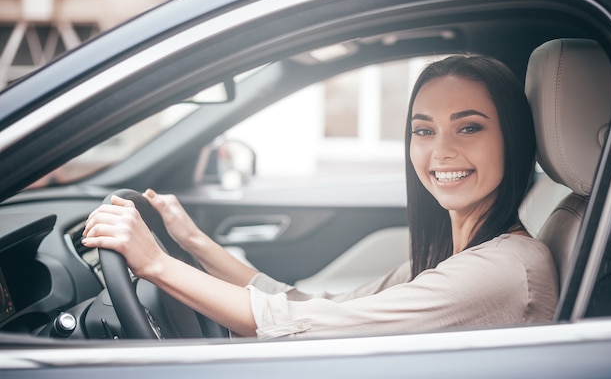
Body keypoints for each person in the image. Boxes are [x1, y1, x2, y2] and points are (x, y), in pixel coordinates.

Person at [82, 54, 559, 339]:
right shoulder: (450, 259)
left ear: (512, 138)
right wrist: (192, 242)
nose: (440, 152)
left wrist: (156, 265)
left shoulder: (503, 272)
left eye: (469, 127)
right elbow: (314, 305)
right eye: (422, 130)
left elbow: (302, 326)